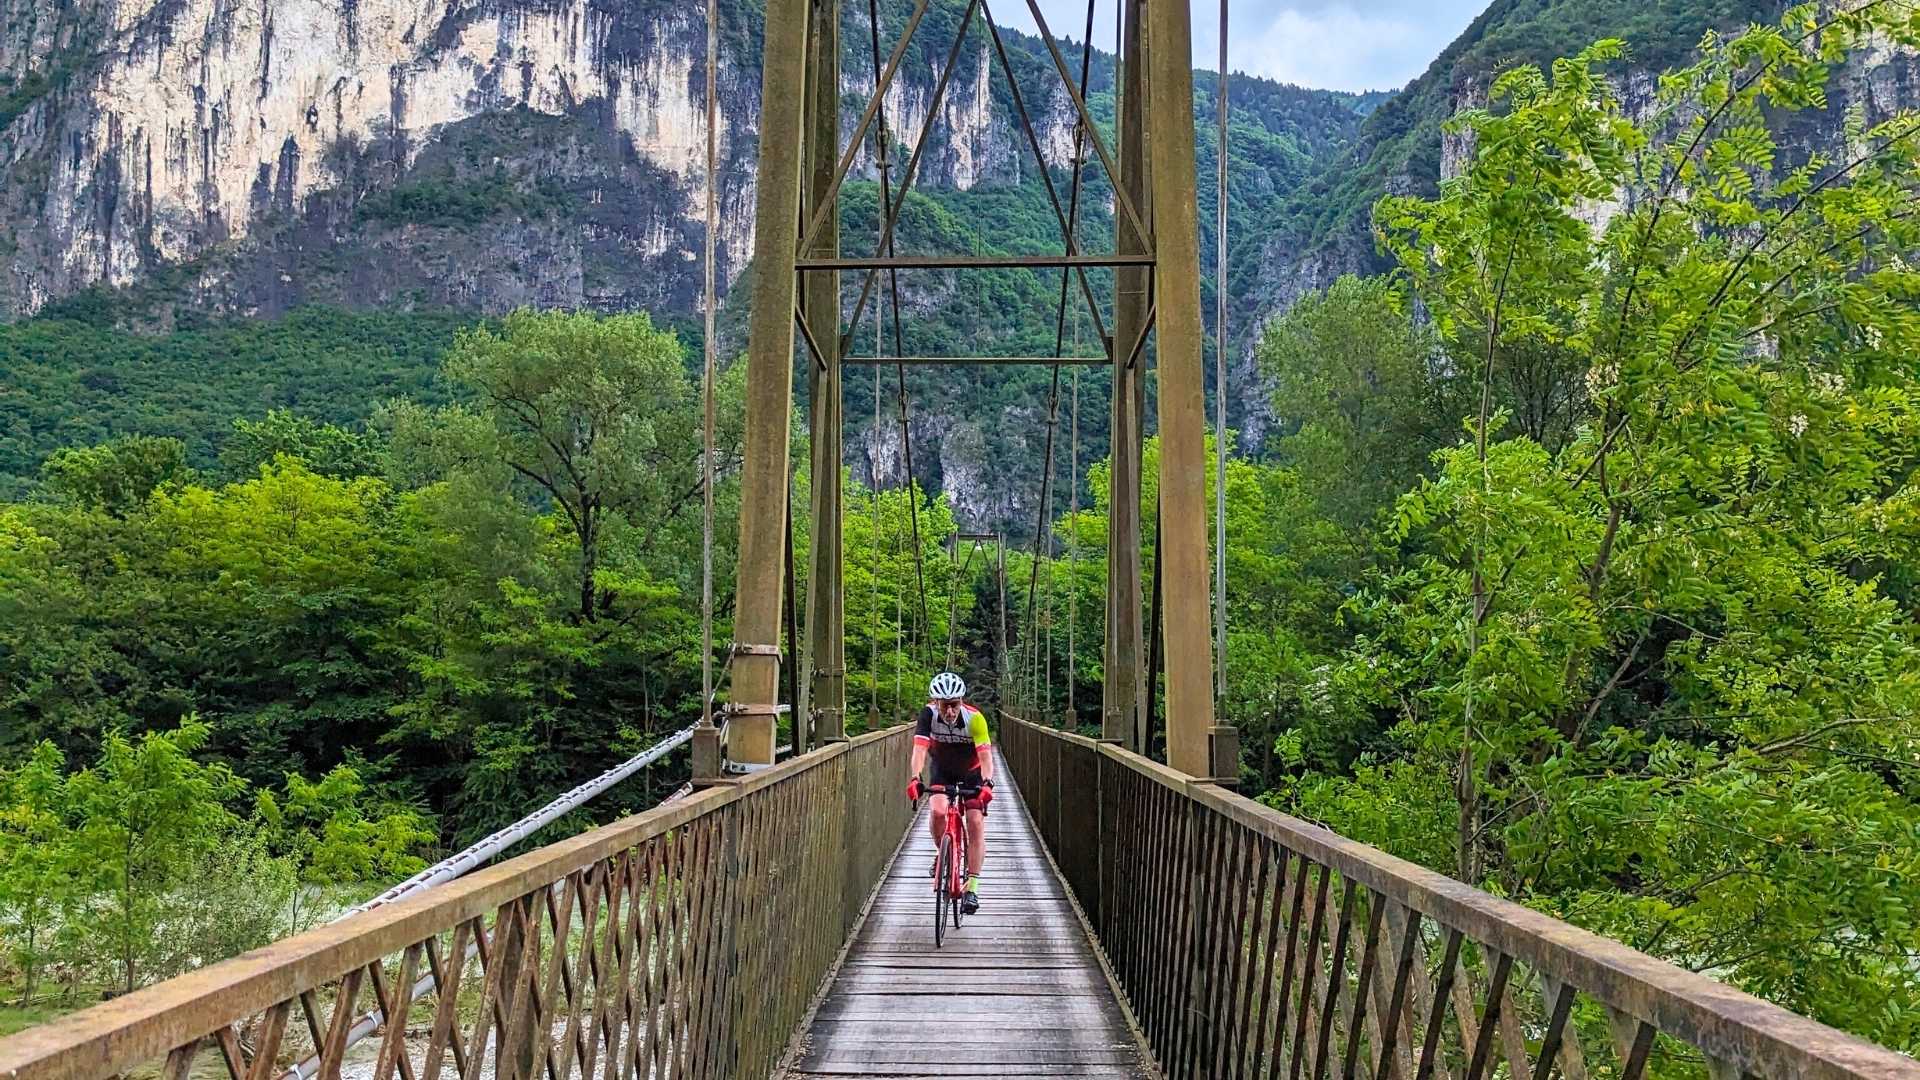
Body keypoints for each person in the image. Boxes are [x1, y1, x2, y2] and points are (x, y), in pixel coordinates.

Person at [906, 671, 994, 914]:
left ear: (962, 701)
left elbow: (986, 757)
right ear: (936, 703)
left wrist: (987, 783)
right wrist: (915, 778)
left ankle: (972, 887)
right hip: (942, 769)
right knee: (937, 811)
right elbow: (920, 750)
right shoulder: (928, 715)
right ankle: (942, 853)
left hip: (972, 771)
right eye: (945, 706)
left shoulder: (975, 719)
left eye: (955, 705)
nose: (950, 711)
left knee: (975, 821)